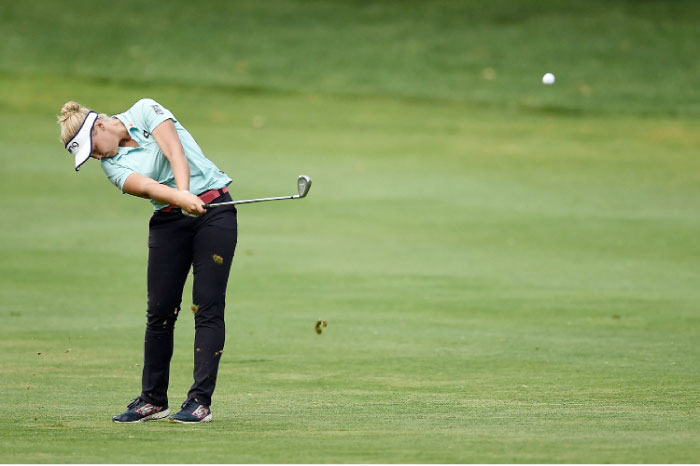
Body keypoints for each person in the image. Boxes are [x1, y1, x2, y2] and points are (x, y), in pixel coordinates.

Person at [57, 99, 238, 423]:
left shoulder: (144, 110)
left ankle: (199, 402)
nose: (96, 157)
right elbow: (150, 187)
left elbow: (174, 151)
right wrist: (181, 198)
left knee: (208, 307)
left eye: (93, 148)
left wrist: (186, 192)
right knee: (159, 312)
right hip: (169, 222)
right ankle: (153, 399)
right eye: (89, 156)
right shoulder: (112, 166)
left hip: (214, 212)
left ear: (99, 125)